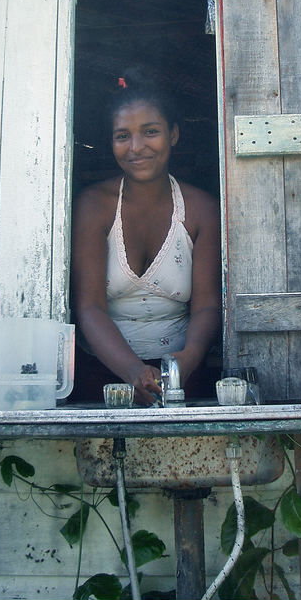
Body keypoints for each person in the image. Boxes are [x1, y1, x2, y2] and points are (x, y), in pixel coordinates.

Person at [71, 75, 221, 406]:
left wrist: (186, 362)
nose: (137, 147)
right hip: (102, 375)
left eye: (150, 131)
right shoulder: (94, 206)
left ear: (174, 135)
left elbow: (208, 305)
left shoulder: (201, 209)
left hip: (184, 375)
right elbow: (89, 306)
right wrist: (132, 371)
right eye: (123, 136)